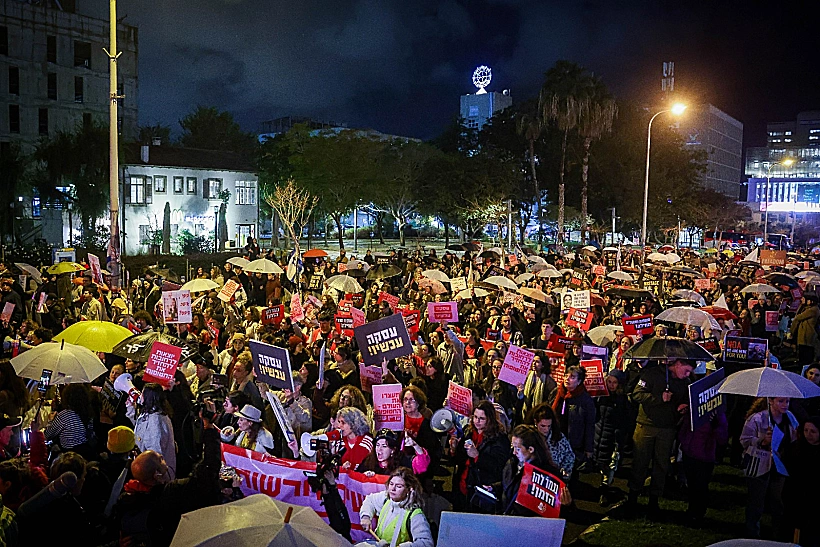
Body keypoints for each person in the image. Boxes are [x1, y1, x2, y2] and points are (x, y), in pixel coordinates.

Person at [115, 412, 221, 547]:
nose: (164, 458)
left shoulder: (126, 499)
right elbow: (207, 470)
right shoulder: (172, 493)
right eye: (161, 459)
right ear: (156, 474)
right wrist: (209, 430)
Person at [625, 359, 694, 519]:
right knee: (640, 462)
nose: (687, 374)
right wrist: (658, 398)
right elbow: (637, 394)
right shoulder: (651, 374)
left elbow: (685, 400)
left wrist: (681, 408)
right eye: (686, 370)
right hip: (646, 425)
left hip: (667, 428)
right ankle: (633, 497)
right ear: (677, 365)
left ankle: (654, 500)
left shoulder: (685, 382)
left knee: (661, 464)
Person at [741, 396, 798, 539]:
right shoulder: (758, 419)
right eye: (781, 401)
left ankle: (778, 535)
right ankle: (752, 534)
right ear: (771, 401)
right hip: (760, 464)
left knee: (778, 502)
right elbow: (744, 440)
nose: (785, 405)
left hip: (780, 465)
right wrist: (762, 440)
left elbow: (794, 439)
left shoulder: (790, 418)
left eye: (787, 401)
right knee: (756, 502)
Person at [449, 400, 510, 513]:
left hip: (480, 491)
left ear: (490, 420)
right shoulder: (469, 431)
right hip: (462, 487)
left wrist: (477, 456)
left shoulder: (500, 439)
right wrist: (454, 449)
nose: (477, 421)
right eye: (475, 417)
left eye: (481, 419)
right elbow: (459, 460)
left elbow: (498, 467)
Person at [500, 424, 572, 516]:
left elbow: (558, 509)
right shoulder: (512, 462)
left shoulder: (548, 473)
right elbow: (509, 486)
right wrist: (494, 488)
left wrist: (566, 505)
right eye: (512, 447)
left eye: (517, 448)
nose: (514, 452)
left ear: (530, 449)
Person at [357, 467, 434, 547]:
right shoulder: (386, 498)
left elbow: (426, 543)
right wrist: (365, 516)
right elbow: (370, 500)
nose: (392, 489)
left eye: (399, 486)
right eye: (391, 484)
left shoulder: (415, 514)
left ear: (409, 489)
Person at [549, 365, 596, 470]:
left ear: (579, 381)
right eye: (566, 376)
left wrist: (588, 448)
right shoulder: (557, 393)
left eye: (572, 377)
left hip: (574, 444)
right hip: (556, 440)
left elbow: (589, 426)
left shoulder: (585, 400)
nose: (567, 379)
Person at [127, 383, 177, 480]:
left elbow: (155, 450)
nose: (140, 395)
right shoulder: (149, 413)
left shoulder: (156, 420)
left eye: (142, 393)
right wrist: (130, 408)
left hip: (153, 475)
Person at [783, 416, 820, 546]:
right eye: (806, 430)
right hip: (797, 495)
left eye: (813, 432)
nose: (808, 435)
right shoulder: (797, 447)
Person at [529, 402, 575, 481]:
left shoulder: (558, 437)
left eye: (549, 426)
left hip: (554, 479)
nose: (546, 429)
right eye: (543, 426)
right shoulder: (528, 437)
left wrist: (564, 471)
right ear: (535, 422)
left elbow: (569, 456)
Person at [357, 428, 430, 477]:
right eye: (377, 445)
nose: (379, 450)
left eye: (384, 446)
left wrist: (415, 445)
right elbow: (358, 478)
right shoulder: (368, 460)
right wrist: (365, 476)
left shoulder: (402, 461)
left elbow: (422, 465)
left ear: (393, 450)